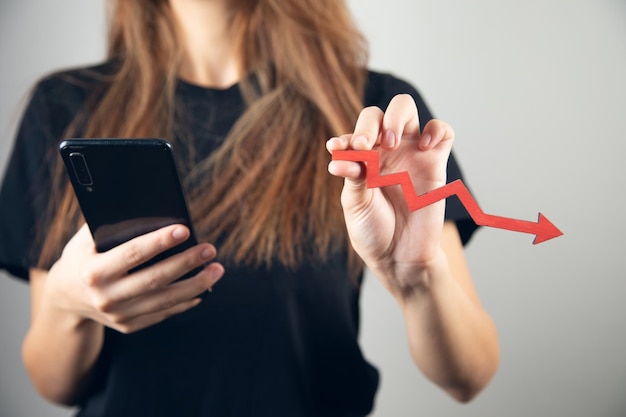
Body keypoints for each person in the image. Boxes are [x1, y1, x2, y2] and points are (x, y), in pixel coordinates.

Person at [0, 0, 499, 416]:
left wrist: (417, 278)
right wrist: (69, 305)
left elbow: (469, 375)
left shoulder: (377, 110)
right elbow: (55, 384)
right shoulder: (63, 106)